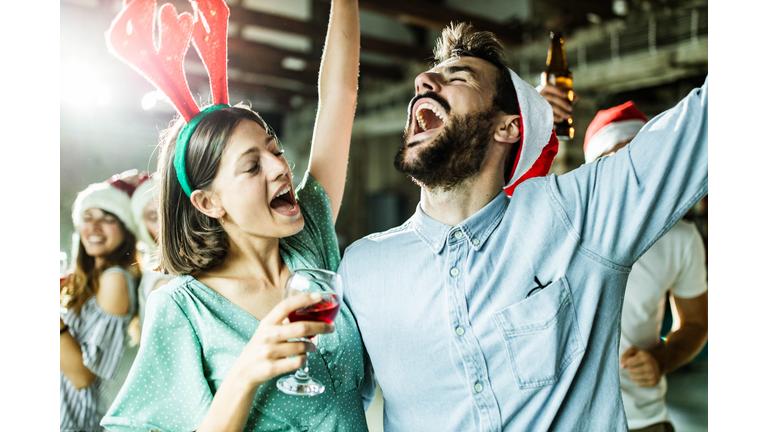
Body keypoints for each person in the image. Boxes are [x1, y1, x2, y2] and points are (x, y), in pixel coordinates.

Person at [339, 22, 707, 431]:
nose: (422, 80)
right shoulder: (361, 268)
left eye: (457, 76)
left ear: (508, 127)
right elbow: (330, 411)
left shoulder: (574, 216)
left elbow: (707, 121)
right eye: (428, 76)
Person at [101, 0, 364, 431]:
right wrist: (246, 372)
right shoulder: (182, 307)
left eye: (275, 149)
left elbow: (340, 96)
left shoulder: (309, 245)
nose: (281, 167)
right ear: (208, 203)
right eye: (251, 166)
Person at [583, 102, 709, 432]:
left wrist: (660, 359)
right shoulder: (565, 229)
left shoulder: (680, 238)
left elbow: (695, 323)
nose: (630, 176)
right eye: (614, 162)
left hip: (645, 422)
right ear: (593, 170)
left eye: (639, 161)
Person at [60, 178, 141, 432]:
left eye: (107, 218)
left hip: (74, 422)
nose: (94, 226)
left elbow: (83, 376)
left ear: (126, 229)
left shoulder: (115, 278)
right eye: (88, 216)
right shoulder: (89, 277)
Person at [129, 172, 172, 326]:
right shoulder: (164, 284)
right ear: (144, 229)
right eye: (153, 217)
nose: (164, 222)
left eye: (168, 210)